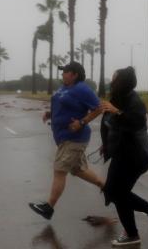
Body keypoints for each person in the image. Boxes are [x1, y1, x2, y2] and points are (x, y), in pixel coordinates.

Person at [78, 67, 148, 247]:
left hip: (136, 156)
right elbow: (111, 125)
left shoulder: (134, 101)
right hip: (123, 154)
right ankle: (145, 217)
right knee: (117, 193)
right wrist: (106, 143)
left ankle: (140, 224)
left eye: (115, 79)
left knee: (116, 193)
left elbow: (136, 123)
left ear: (122, 82)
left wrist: (118, 112)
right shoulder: (118, 98)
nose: (111, 82)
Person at [29, 62, 106, 220]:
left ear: (74, 74)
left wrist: (82, 122)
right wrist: (51, 113)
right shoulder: (64, 88)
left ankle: (49, 207)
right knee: (78, 170)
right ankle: (107, 187)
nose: (62, 74)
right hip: (63, 137)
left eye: (65, 72)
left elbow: (99, 108)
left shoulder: (82, 89)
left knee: (59, 169)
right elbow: (63, 104)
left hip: (75, 138)